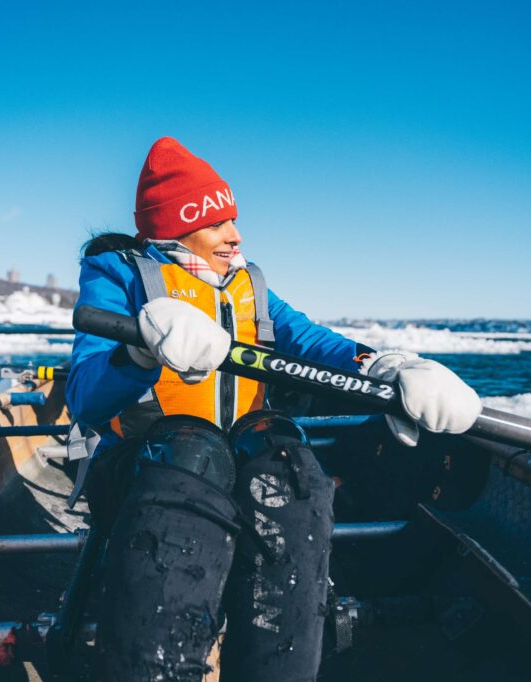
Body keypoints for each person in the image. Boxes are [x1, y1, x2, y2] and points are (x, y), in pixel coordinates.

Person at [66, 137, 481, 681]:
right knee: (193, 454)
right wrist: (138, 349)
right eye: (218, 224)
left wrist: (387, 366)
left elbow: (315, 344)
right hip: (147, 471)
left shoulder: (250, 286)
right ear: (175, 226)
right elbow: (84, 395)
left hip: (238, 462)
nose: (234, 235)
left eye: (233, 220)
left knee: (290, 467)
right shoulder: (120, 276)